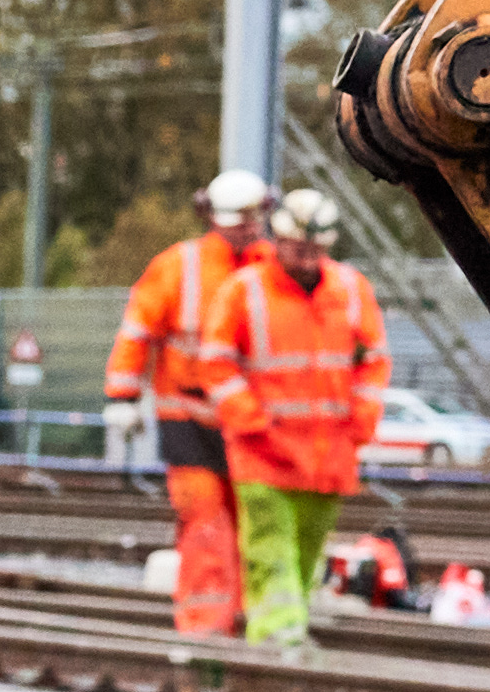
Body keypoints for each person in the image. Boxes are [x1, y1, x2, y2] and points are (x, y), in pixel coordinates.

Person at [223, 185, 392, 646]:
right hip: (264, 455)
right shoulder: (244, 291)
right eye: (299, 248)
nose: (307, 258)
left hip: (329, 453)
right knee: (270, 548)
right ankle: (279, 635)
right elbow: (216, 364)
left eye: (316, 249)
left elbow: (374, 360)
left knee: (306, 552)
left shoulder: (352, 290)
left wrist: (362, 419)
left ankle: (284, 625)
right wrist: (252, 421)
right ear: (277, 241)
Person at [111, 170, 269, 637]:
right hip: (187, 416)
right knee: (205, 522)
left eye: (250, 218)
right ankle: (204, 624)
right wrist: (121, 394)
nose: (245, 228)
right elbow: (137, 331)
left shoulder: (271, 270)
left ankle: (241, 619)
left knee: (251, 523)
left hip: (249, 421)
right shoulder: (180, 266)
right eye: (237, 219)